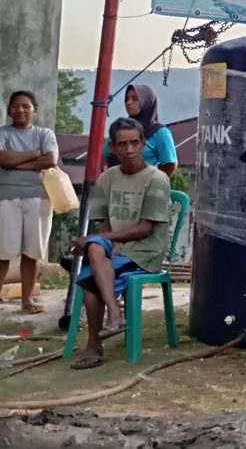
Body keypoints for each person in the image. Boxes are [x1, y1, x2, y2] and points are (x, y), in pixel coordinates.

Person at [69, 118, 171, 370]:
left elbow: (146, 228)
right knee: (94, 249)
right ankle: (114, 312)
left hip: (145, 251)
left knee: (89, 278)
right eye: (123, 144)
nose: (130, 150)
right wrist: (101, 242)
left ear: (144, 144)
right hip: (116, 248)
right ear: (113, 147)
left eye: (135, 143)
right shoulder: (107, 178)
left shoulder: (157, 179)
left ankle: (95, 342)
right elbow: (106, 224)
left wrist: (101, 240)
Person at [0, 91, 59, 314]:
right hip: (6, 197)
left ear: (35, 110)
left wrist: (14, 163)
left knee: (31, 252)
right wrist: (34, 155)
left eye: (26, 106)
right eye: (16, 106)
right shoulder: (3, 133)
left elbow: (51, 159)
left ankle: (27, 301)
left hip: (39, 198)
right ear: (9, 110)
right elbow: (2, 159)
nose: (21, 110)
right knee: (2, 252)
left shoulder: (45, 134)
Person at [102, 84, 178, 178]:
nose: (128, 103)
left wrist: (154, 185)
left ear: (146, 102)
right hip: (116, 186)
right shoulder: (120, 128)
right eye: (127, 99)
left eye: (134, 99)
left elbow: (170, 165)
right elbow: (104, 155)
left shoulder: (160, 133)